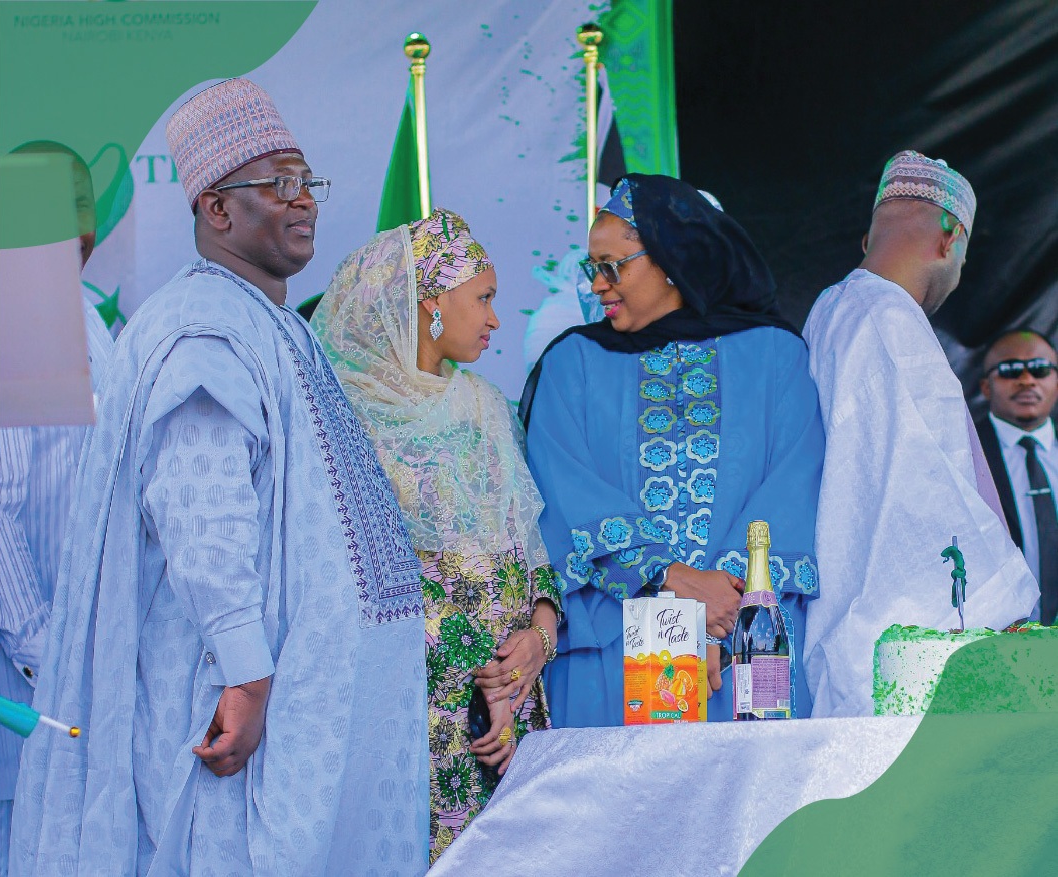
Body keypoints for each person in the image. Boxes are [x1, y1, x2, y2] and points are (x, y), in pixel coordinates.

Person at [9, 79, 429, 876]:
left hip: (291, 702)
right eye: (277, 182)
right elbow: (201, 511)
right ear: (216, 209)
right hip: (224, 696)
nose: (301, 199)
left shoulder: (271, 324)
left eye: (305, 179)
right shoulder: (203, 327)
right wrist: (246, 675)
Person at [521, 174, 825, 727]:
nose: (598, 285)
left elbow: (794, 485)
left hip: (745, 641)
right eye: (592, 268)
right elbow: (560, 489)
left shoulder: (776, 356)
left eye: (613, 266)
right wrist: (670, 577)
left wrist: (724, 604)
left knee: (752, 781)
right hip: (614, 636)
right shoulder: (572, 363)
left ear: (670, 259)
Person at [311, 208, 561, 862]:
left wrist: (538, 639)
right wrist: (479, 668)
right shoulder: (349, 417)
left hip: (512, 702)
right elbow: (343, 576)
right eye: (483, 298)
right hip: (415, 712)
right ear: (430, 303)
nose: (494, 319)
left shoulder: (486, 406)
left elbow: (530, 550)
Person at [802, 150, 1039, 718]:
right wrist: (1004, 593)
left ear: (870, 238)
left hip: (839, 617)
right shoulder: (889, 318)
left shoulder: (828, 311)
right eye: (964, 259)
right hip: (901, 642)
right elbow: (931, 485)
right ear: (950, 237)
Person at [0, 141, 113, 877]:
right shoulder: (10, 321)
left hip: (74, 663)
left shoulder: (87, 318)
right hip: (27, 672)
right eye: (56, 207)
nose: (79, 225)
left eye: (82, 203)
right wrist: (43, 649)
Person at [975, 330, 1058, 624]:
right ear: (986, 387)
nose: (1026, 380)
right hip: (997, 634)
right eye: (1010, 370)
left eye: (1040, 369)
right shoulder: (964, 451)